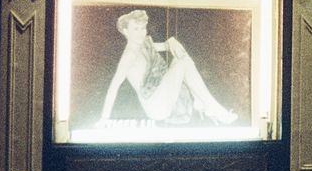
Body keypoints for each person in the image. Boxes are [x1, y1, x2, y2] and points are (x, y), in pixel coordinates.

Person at [98, 9, 238, 127]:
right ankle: (210, 107)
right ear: (125, 31)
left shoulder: (144, 45)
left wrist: (171, 40)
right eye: (136, 29)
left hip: (163, 97)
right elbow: (113, 87)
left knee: (182, 59)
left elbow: (169, 47)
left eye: (142, 28)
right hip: (155, 105)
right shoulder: (129, 56)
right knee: (183, 62)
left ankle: (204, 103)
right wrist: (104, 119)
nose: (141, 32)